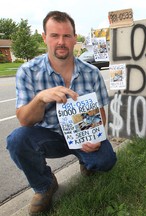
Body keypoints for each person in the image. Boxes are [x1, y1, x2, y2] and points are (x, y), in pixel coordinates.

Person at [6, 11, 117, 215]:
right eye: (54, 35)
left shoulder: (91, 73)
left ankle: (86, 162)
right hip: (49, 137)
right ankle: (45, 185)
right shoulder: (27, 71)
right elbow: (24, 119)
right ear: (44, 37)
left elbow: (100, 112)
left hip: (81, 135)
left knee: (106, 161)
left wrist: (96, 138)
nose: (61, 42)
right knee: (17, 140)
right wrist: (40, 98)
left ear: (75, 38)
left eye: (67, 36)